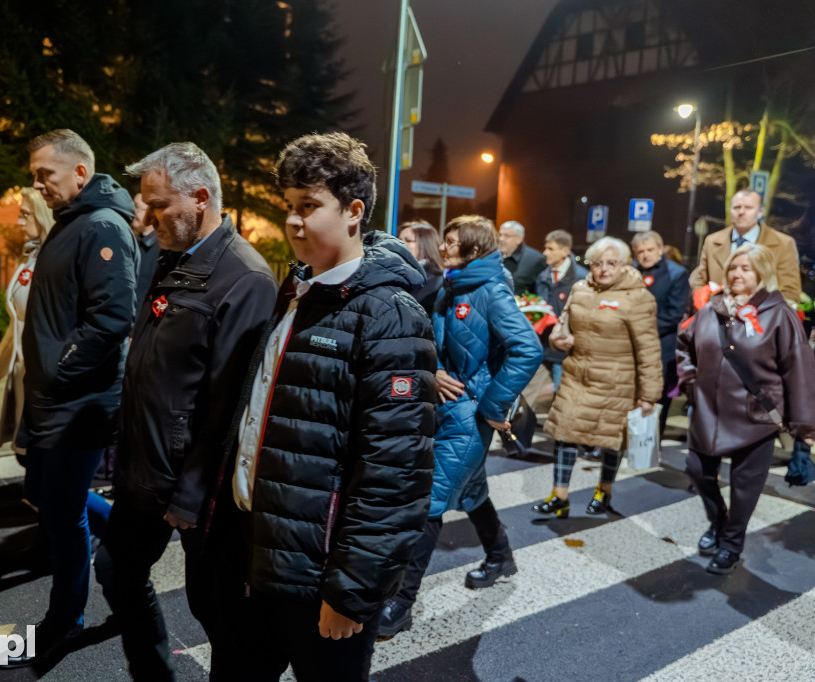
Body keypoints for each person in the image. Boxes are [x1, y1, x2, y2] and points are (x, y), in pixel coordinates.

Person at [229, 132, 436, 681]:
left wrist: (352, 591)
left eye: (309, 206)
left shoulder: (390, 315)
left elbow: (395, 472)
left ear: (354, 211)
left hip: (322, 578)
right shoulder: (298, 290)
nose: (293, 221)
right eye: (288, 206)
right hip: (262, 556)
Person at [103, 142, 277, 680]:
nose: (148, 217)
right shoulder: (172, 257)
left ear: (200, 198)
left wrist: (191, 493)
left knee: (217, 611)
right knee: (115, 569)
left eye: (158, 205)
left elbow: (231, 406)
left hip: (194, 489)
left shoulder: (245, 277)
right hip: (145, 471)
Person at [0, 129, 139, 668]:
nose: (37, 184)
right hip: (55, 398)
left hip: (79, 403)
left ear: (80, 172)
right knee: (53, 500)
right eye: (34, 175)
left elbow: (112, 318)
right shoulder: (72, 221)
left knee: (63, 513)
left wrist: (60, 369)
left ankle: (65, 620)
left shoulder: (102, 226)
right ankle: (129, 539)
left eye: (44, 174)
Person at [379, 215, 541, 639]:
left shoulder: (490, 290)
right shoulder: (452, 287)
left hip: (468, 416)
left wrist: (492, 405)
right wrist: (433, 371)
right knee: (471, 491)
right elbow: (434, 345)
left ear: (473, 248)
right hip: (444, 409)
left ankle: (400, 603)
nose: (444, 247)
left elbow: (528, 348)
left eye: (452, 241)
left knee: (429, 502)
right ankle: (501, 556)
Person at [677, 243, 815, 574]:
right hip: (708, 412)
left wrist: (805, 427)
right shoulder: (711, 309)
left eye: (746, 268)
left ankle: (731, 543)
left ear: (762, 273)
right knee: (697, 471)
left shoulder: (779, 313)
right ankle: (719, 522)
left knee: (745, 487)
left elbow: (798, 370)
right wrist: (691, 382)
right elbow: (685, 345)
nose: (736, 273)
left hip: (756, 416)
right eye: (732, 267)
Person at [536, 236, 662, 517]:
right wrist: (558, 340)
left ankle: (604, 490)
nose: (604, 269)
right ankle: (560, 495)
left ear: (624, 265)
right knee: (565, 431)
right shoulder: (580, 289)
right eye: (597, 263)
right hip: (577, 376)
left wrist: (648, 394)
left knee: (610, 439)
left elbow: (649, 349)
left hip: (617, 381)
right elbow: (561, 326)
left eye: (611, 263)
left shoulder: (638, 297)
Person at [0, 188, 53, 460]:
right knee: (27, 458)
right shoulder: (30, 257)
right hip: (23, 372)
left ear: (43, 215)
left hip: (42, 380)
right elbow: (18, 321)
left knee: (38, 460)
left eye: (25, 215)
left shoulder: (54, 261)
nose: (19, 222)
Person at [691, 189, 801, 304]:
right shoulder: (712, 241)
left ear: (760, 212)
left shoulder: (783, 244)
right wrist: (706, 306)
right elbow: (699, 282)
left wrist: (760, 311)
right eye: (736, 207)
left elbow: (790, 292)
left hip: (763, 313)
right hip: (717, 311)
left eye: (748, 208)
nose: (741, 212)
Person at [632, 230, 690, 436]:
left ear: (660, 249)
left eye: (650, 250)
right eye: (640, 251)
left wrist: (640, 329)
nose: (645, 255)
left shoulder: (676, 273)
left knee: (658, 396)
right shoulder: (630, 270)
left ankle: (652, 440)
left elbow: (674, 313)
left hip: (661, 345)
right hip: (630, 345)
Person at [533, 229, 588, 393]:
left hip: (564, 351)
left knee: (561, 395)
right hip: (543, 348)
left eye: (550, 249)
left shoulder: (581, 278)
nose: (545, 253)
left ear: (565, 251)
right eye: (545, 248)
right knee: (531, 397)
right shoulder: (542, 277)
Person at [399, 219, 443, 315]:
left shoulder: (437, 280)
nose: (401, 244)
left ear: (426, 244)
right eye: (399, 240)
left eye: (408, 240)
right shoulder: (394, 273)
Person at [498, 220, 546, 296]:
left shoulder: (535, 259)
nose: (501, 239)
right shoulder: (493, 256)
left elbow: (540, 293)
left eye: (506, 236)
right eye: (500, 235)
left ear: (519, 239)